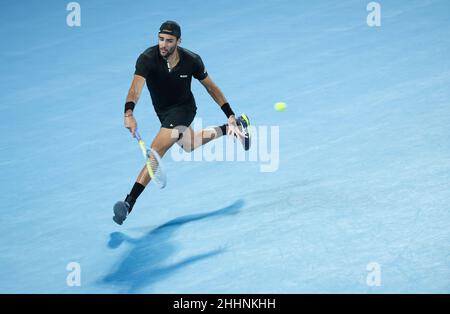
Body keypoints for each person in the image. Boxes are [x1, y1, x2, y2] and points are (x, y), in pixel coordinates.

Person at [113, 21, 251, 225]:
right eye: (161, 39)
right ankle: (233, 128)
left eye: (169, 41)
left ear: (179, 41)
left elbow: (212, 88)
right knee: (189, 144)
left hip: (184, 109)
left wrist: (229, 112)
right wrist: (129, 113)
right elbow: (135, 89)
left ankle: (128, 203)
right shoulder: (147, 59)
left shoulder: (192, 60)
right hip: (163, 111)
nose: (163, 45)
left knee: (156, 152)